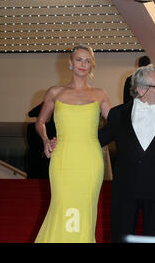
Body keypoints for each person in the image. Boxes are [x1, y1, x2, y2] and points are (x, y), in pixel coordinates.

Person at [34, 44, 111, 243]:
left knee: (84, 207)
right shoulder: (55, 92)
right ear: (70, 63)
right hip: (63, 159)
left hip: (90, 160)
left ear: (92, 65)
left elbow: (116, 125)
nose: (83, 64)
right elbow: (40, 121)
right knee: (63, 205)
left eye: (88, 60)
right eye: (79, 59)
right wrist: (45, 141)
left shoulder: (100, 94)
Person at [99, 65, 155, 242]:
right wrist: (64, 141)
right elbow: (96, 140)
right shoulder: (118, 114)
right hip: (126, 190)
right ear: (141, 90)